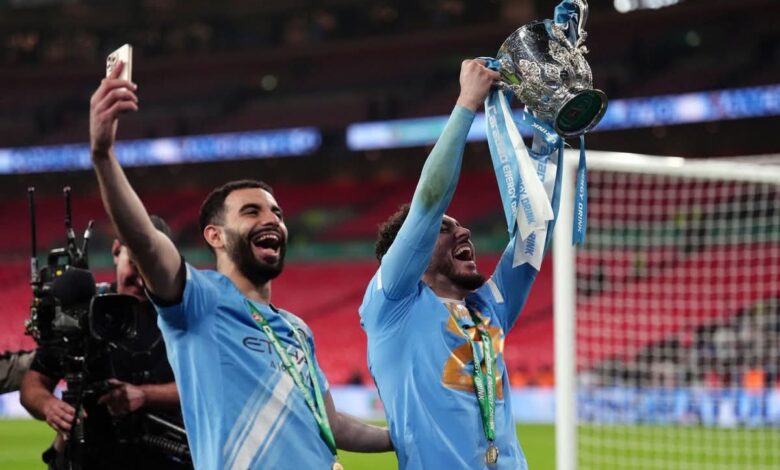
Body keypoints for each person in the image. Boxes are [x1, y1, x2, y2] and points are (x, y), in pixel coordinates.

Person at [87, 60, 392, 469]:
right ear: (215, 236)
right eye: (252, 211)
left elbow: (331, 424)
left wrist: (400, 437)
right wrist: (103, 156)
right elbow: (143, 240)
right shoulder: (197, 301)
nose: (272, 220)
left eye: (277, 213)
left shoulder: (297, 330)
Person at [359, 59, 558, 469]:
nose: (463, 231)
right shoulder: (394, 303)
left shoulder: (489, 308)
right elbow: (428, 205)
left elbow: (534, 232)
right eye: (445, 229)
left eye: (459, 226)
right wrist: (468, 103)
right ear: (411, 253)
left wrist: (552, 134)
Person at [20, 215, 189, 470]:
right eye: (135, 265)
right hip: (93, 456)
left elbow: (206, 386)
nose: (142, 279)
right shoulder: (82, 311)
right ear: (116, 251)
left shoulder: (185, 314)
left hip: (168, 454)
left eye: (152, 268)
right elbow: (32, 385)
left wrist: (144, 395)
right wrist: (49, 406)